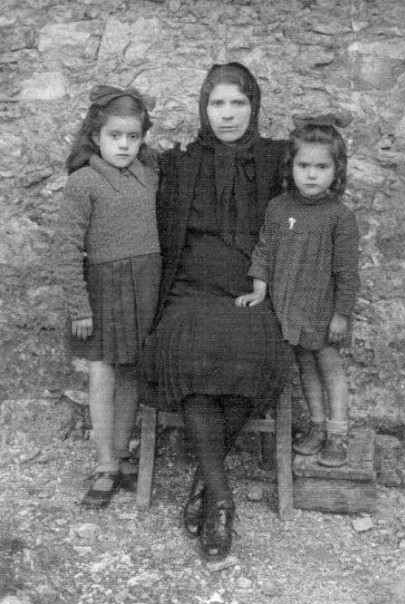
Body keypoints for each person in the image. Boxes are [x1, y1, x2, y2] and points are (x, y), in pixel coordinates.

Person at [141, 63, 292, 561]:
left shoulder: (278, 161)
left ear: (254, 107)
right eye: (217, 103)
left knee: (256, 352)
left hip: (253, 294)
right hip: (190, 293)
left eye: (238, 103)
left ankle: (207, 484)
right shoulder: (179, 164)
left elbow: (310, 209)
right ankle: (222, 497)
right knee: (189, 349)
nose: (227, 114)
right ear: (204, 108)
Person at [58, 85, 162, 508]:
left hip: (145, 286)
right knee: (102, 374)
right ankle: (104, 464)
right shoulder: (83, 182)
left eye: (133, 137)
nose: (123, 145)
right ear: (95, 136)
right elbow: (66, 248)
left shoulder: (148, 175)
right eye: (114, 136)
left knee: (133, 372)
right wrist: (79, 307)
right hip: (104, 291)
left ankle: (120, 454)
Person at [236, 114, 360, 468]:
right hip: (291, 309)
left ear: (336, 170)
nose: (311, 174)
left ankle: (338, 434)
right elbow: (265, 250)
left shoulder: (339, 217)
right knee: (305, 367)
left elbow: (347, 273)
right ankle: (317, 427)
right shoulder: (279, 208)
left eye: (321, 167)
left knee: (330, 368)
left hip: (323, 311)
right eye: (304, 166)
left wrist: (341, 315)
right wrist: (260, 289)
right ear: (291, 167)